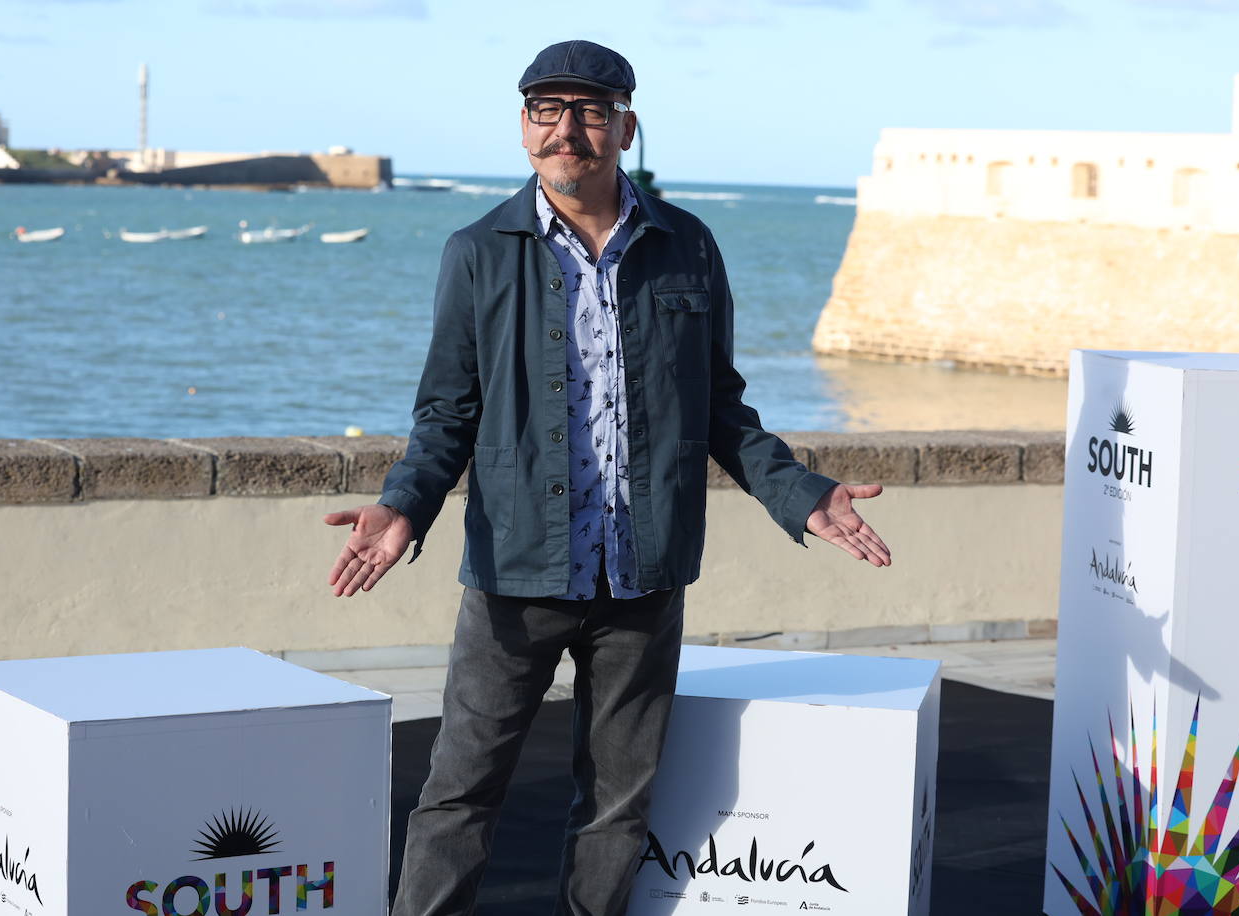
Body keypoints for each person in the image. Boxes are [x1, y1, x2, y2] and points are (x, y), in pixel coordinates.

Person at [323, 39, 891, 916]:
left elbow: (721, 411)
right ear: (522, 129)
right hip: (515, 572)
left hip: (643, 575)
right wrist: (403, 506)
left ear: (626, 125)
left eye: (589, 111)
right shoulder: (477, 252)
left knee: (619, 808)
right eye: (547, 110)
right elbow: (446, 414)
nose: (568, 129)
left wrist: (802, 494)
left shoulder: (687, 246)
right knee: (459, 794)